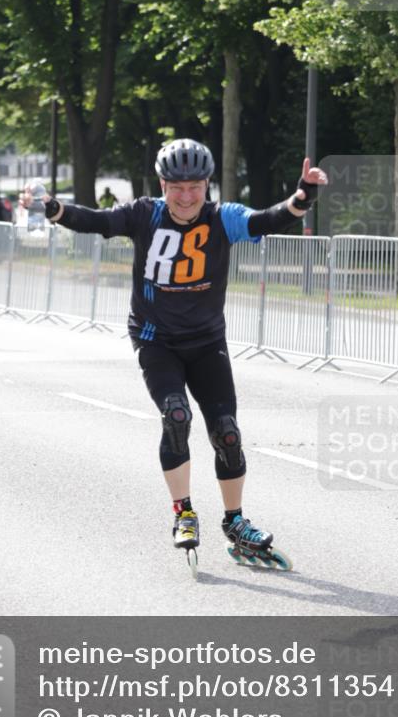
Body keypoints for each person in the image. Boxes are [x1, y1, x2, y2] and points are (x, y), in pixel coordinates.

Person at [20, 139, 328, 563]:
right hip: (155, 338)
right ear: (163, 184)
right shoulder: (145, 213)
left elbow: (266, 220)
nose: (186, 197)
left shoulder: (224, 218)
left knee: (227, 432)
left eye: (195, 187)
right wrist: (53, 208)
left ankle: (235, 521)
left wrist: (302, 196)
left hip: (206, 342)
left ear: (208, 185)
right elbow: (96, 221)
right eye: (177, 187)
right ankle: (183, 513)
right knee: (176, 415)